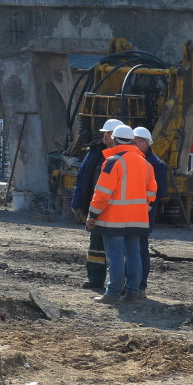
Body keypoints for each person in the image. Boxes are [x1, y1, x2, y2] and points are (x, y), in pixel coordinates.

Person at [86, 124, 157, 304]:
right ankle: (133, 291)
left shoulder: (113, 162)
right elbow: (151, 193)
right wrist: (141, 209)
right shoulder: (146, 163)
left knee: (116, 256)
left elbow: (102, 192)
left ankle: (113, 293)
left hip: (114, 219)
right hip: (138, 219)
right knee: (134, 255)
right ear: (131, 140)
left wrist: (92, 214)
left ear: (115, 140)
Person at [71, 118, 122, 291]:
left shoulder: (125, 157)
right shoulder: (96, 152)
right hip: (99, 207)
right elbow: (82, 177)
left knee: (118, 249)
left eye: (107, 133)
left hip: (117, 210)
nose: (104, 136)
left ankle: (119, 284)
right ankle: (95, 278)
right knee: (96, 246)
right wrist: (78, 203)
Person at [130, 126, 169, 300]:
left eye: (137, 141)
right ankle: (131, 285)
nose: (133, 144)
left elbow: (158, 191)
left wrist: (146, 206)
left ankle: (140, 286)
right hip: (130, 214)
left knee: (140, 250)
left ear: (146, 143)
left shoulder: (156, 164)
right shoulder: (132, 160)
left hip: (144, 215)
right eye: (132, 141)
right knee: (131, 250)